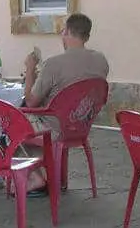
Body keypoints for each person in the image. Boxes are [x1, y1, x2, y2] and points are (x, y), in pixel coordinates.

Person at [19, 13, 109, 195]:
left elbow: (31, 101)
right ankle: (50, 173)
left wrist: (30, 70)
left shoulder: (54, 64)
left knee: (10, 120)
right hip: (81, 124)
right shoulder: (101, 61)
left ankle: (34, 176)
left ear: (66, 31)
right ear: (87, 37)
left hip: (54, 126)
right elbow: (74, 90)